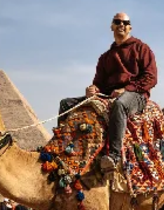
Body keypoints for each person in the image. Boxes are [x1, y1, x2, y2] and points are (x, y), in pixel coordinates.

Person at [58, 12, 157, 173]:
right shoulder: (105, 57)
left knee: (120, 104)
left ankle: (114, 155)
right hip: (109, 95)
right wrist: (93, 89)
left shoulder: (142, 49)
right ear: (112, 26)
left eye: (125, 22)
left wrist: (126, 89)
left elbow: (151, 78)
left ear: (130, 27)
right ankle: (63, 146)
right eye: (117, 22)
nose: (121, 25)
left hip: (136, 95)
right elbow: (99, 83)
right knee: (66, 104)